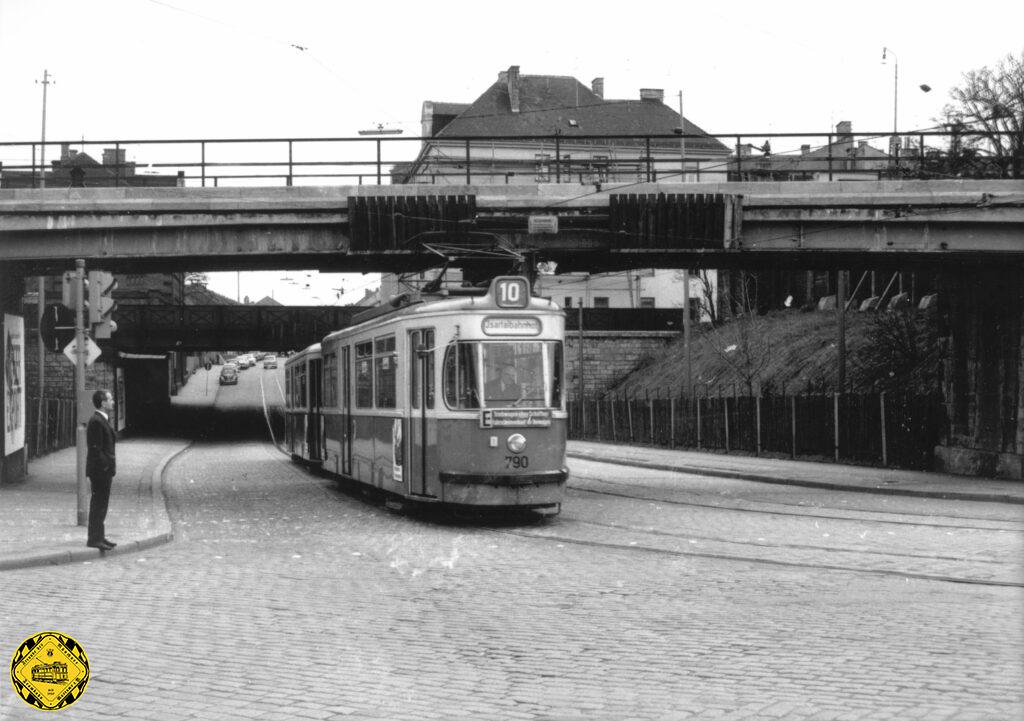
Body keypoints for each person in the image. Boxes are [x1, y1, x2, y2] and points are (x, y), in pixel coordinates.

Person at [85, 389, 117, 551]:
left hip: (103, 471)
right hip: (100, 471)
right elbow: (96, 449)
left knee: (101, 504)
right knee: (98, 504)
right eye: (110, 399)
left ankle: (100, 536)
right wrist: (105, 466)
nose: (113, 402)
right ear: (103, 403)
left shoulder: (101, 420)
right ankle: (94, 538)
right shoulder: (96, 421)